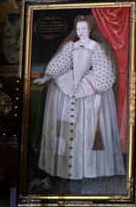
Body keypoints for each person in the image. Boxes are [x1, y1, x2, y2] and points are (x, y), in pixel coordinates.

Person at [33, 15, 125, 183]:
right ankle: (66, 169)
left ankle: (87, 168)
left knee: (87, 128)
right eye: (78, 29)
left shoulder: (96, 47)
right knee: (66, 124)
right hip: (69, 85)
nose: (81, 32)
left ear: (90, 30)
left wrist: (97, 87)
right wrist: (47, 77)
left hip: (89, 88)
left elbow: (103, 70)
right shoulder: (71, 46)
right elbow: (60, 63)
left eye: (84, 29)